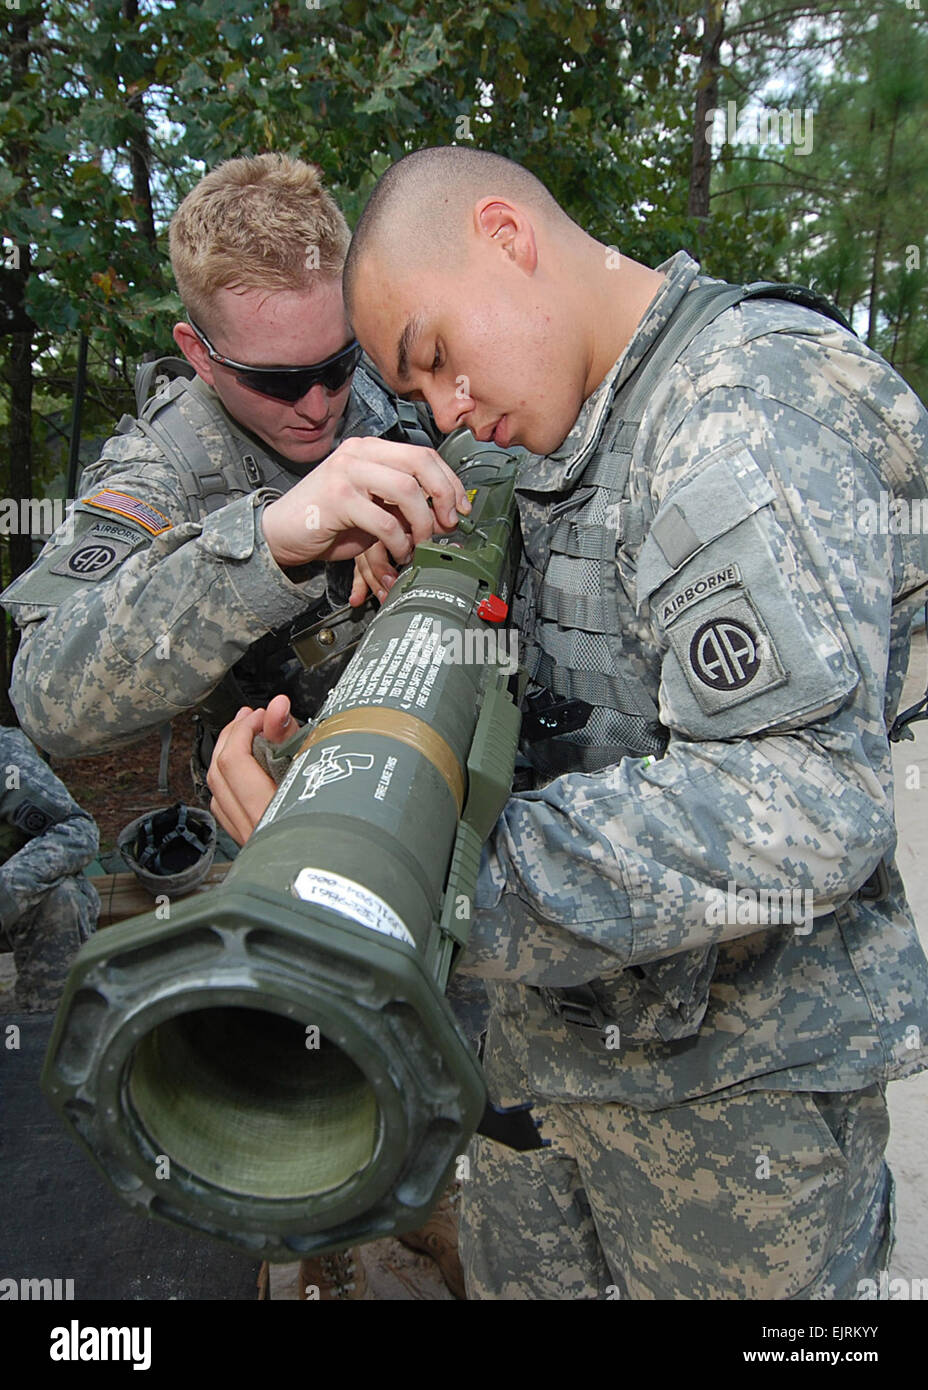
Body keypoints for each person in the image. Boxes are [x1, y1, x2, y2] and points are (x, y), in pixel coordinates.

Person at [208, 145, 928, 1300]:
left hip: (728, 1113)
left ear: (507, 234)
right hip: (547, 1068)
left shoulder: (740, 410)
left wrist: (412, 868)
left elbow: (807, 802)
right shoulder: (553, 427)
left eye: (435, 356)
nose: (443, 407)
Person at [0, 154, 469, 801]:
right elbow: (48, 701)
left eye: (337, 362)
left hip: (453, 754)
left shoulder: (394, 367)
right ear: (202, 355)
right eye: (275, 380)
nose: (316, 404)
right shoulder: (160, 469)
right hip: (293, 805)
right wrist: (266, 547)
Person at [0, 725, 100, 1012]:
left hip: (16, 904)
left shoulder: (5, 755)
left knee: (61, 899)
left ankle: (51, 1032)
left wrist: (7, 890)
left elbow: (77, 830)